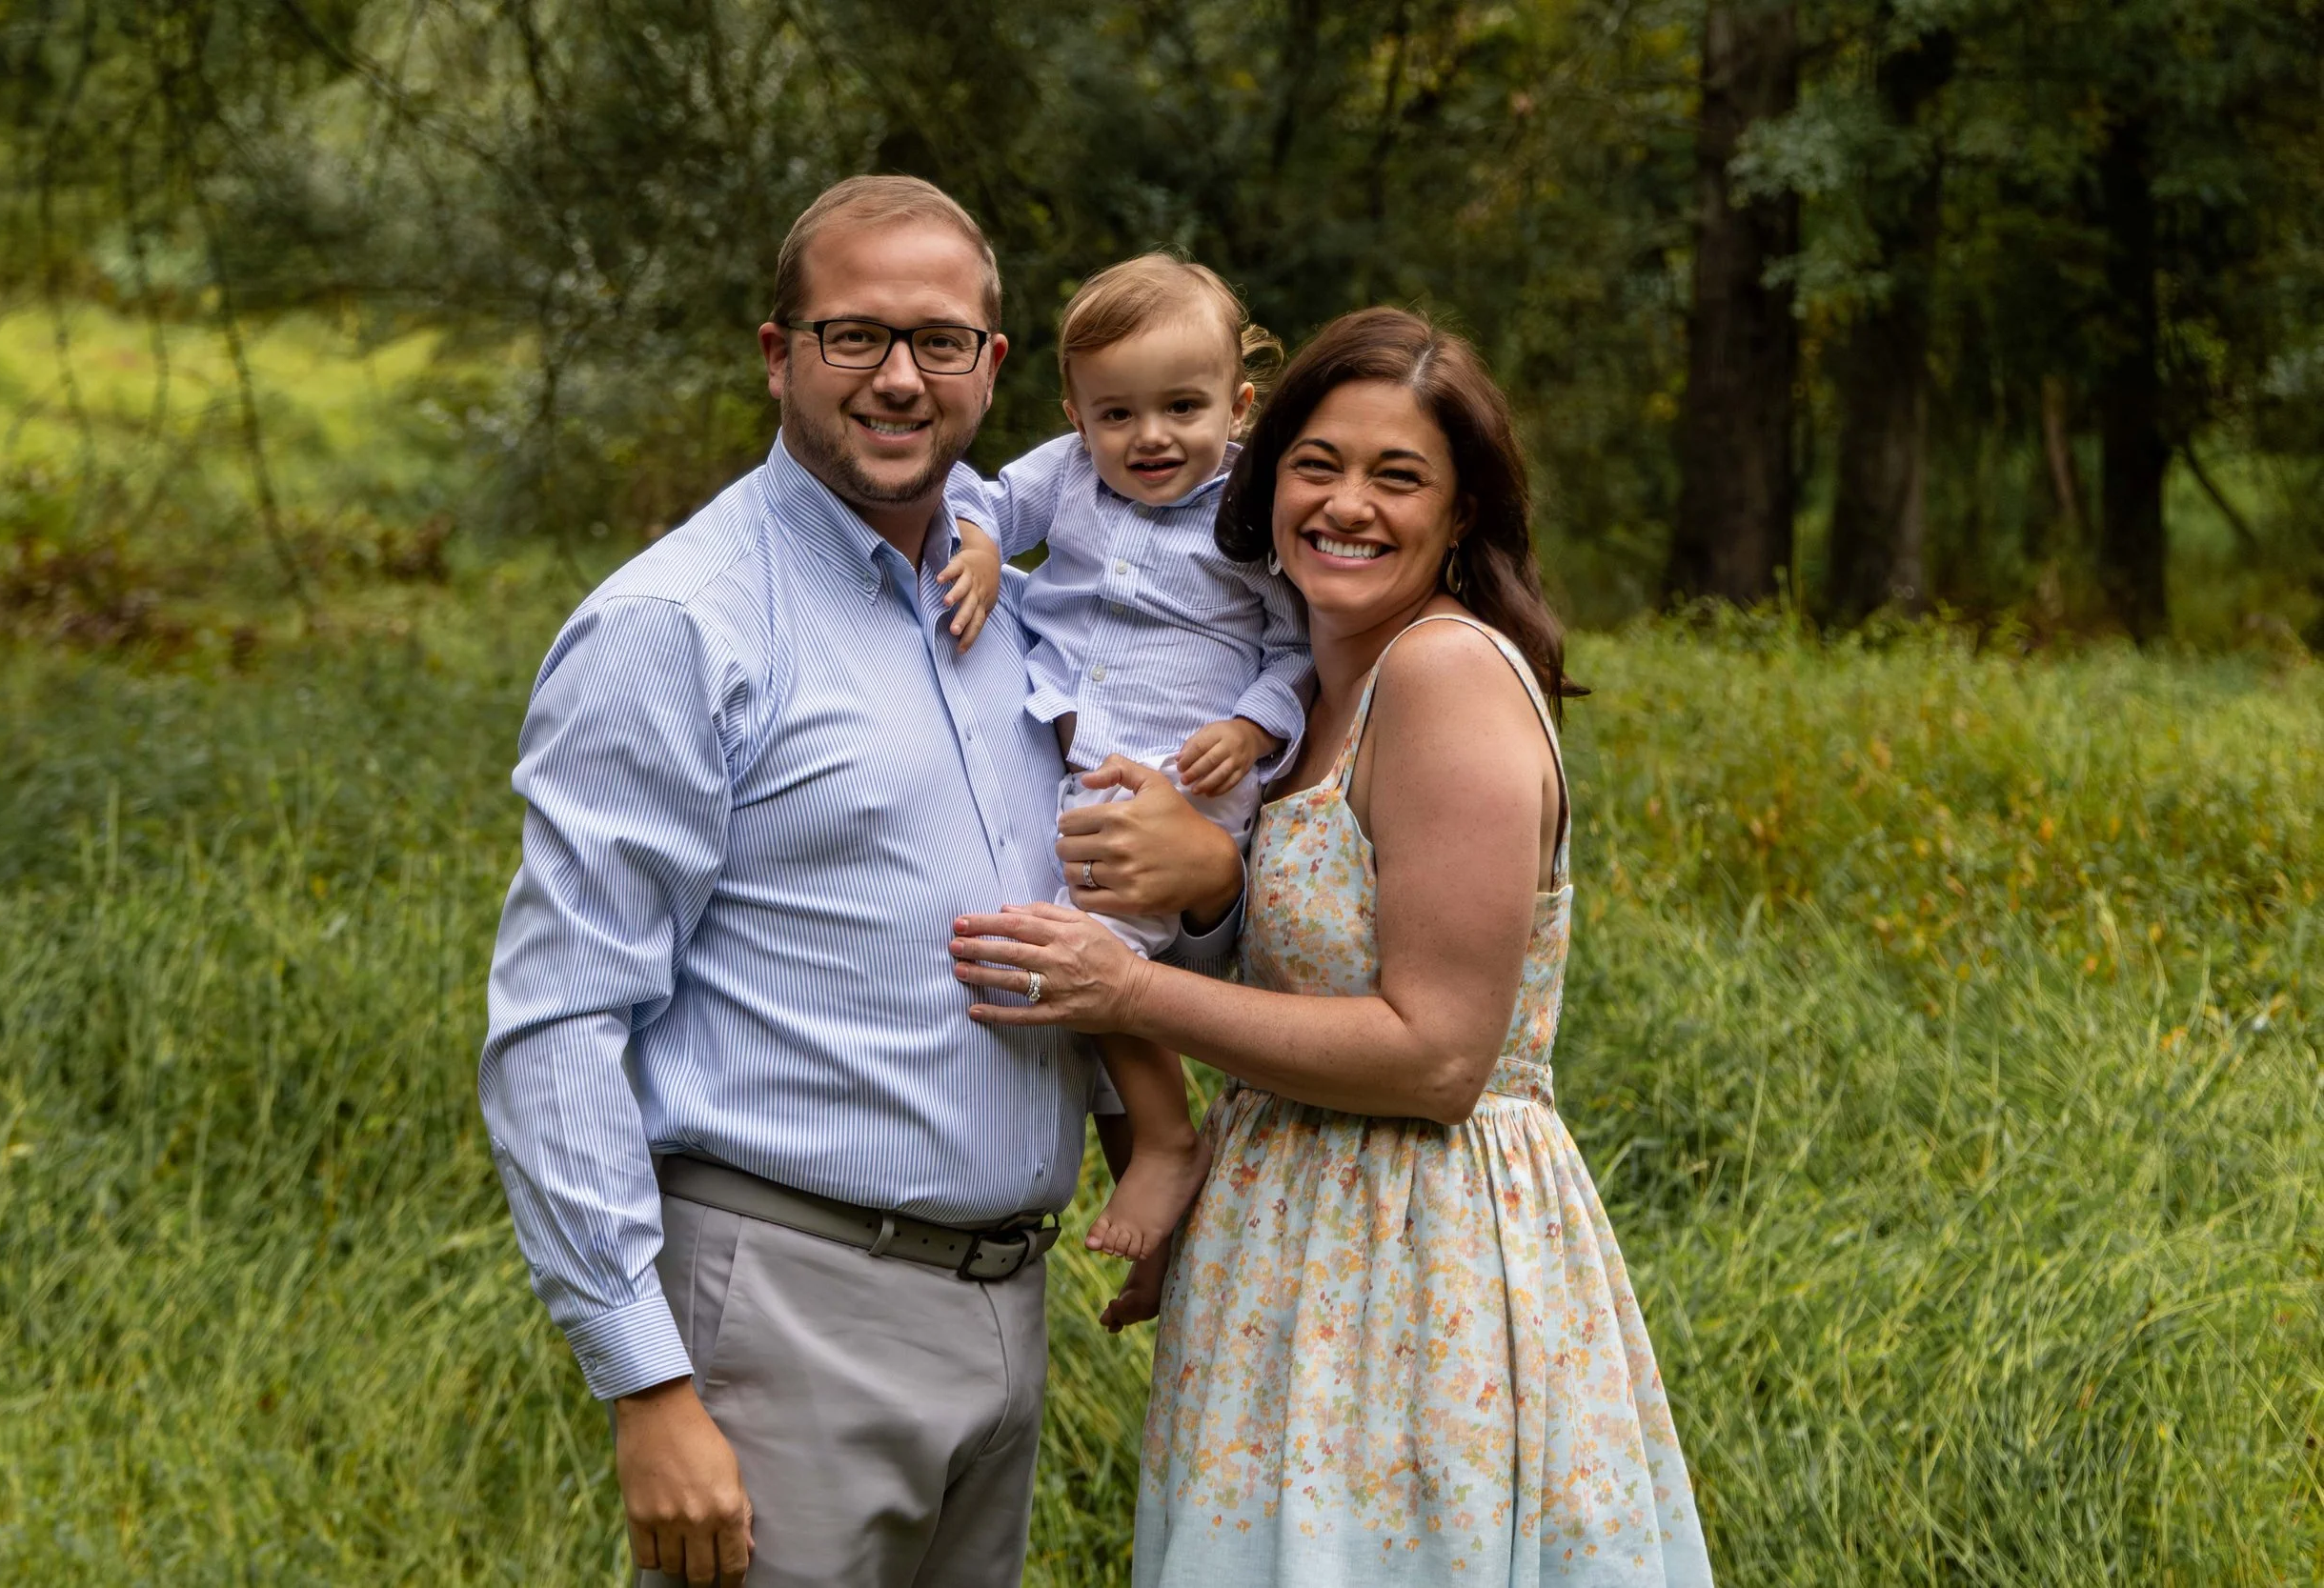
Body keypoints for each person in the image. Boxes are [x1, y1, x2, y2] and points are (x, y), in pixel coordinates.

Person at [478, 175, 1243, 1588]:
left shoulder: (1019, 610)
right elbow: (559, 1021)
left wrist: (1204, 894)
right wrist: (646, 1382)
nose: (900, 376)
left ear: (996, 371)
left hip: (1009, 1307)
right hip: (784, 1314)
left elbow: (1084, 931)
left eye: (940, 341)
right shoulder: (681, 624)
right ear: (778, 354)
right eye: (854, 336)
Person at [949, 308, 1715, 1585]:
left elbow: (1436, 1055)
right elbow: (1293, 957)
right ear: (1263, 473)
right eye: (1318, 464)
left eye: (1397, 475)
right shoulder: (1298, 689)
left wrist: (1129, 985)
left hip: (1424, 1260)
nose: (1346, 504)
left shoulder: (1444, 674)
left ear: (1462, 512)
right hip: (1287, 1248)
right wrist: (1201, 889)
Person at [940, 252, 1311, 1269]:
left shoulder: (1249, 512)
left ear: (1237, 405)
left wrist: (1253, 725)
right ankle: (1149, 1178)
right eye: (1115, 415)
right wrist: (977, 543)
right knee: (1089, 966)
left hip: (1187, 787)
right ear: (1074, 410)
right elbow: (981, 496)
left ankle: (1162, 1140)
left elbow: (1293, 648)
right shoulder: (1064, 475)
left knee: (1091, 960)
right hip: (1092, 776)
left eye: (1182, 407)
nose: (1149, 437)